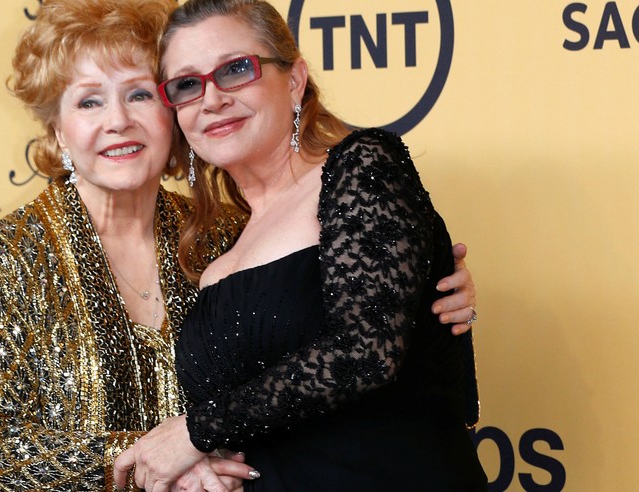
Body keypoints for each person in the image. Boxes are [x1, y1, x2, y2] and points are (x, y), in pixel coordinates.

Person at [0, 0, 479, 490]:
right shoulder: (2, 256)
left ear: (169, 115)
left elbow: (353, 339)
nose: (118, 121)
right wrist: (156, 460)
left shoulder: (222, 232)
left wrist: (433, 301)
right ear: (58, 131)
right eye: (88, 102)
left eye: (139, 94)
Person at [114, 0, 487, 491]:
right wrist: (204, 465)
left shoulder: (361, 167)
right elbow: (250, 423)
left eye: (235, 70)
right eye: (187, 85)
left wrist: (194, 434)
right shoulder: (215, 257)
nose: (211, 99)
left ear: (294, 80)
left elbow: (366, 352)